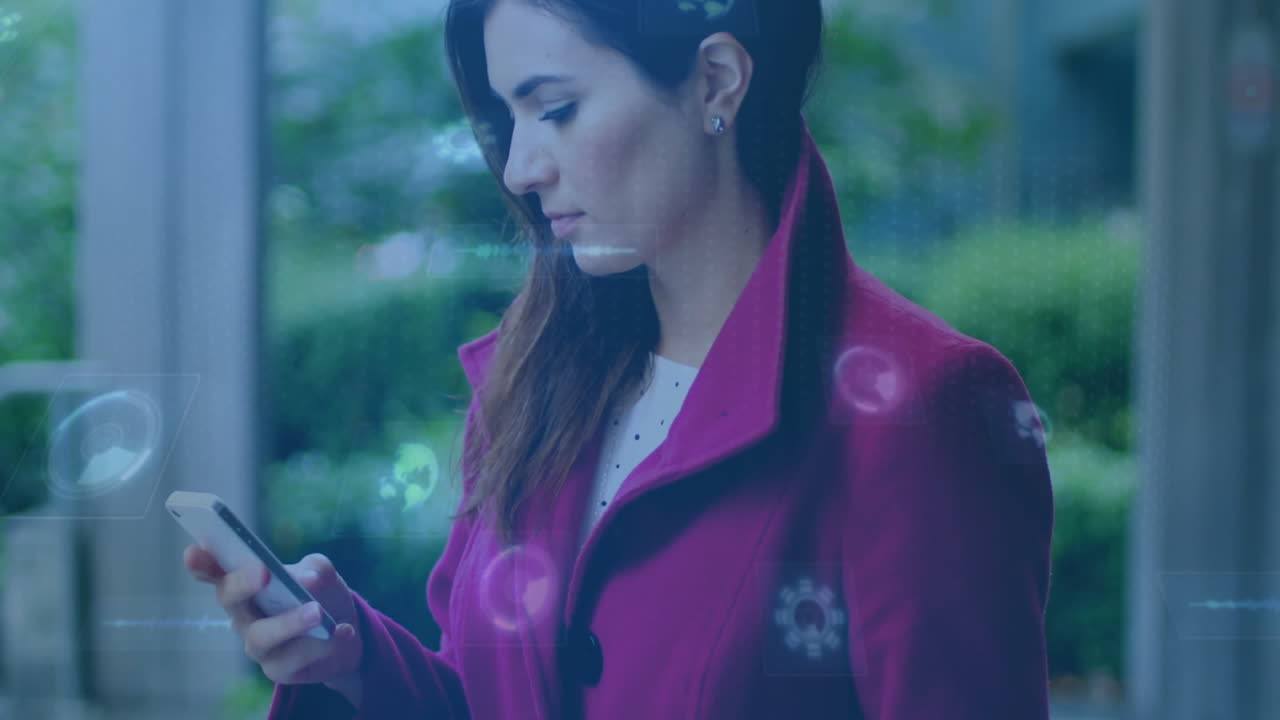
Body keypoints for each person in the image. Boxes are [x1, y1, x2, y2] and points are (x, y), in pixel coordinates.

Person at [184, 0, 1056, 717]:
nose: (521, 167)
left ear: (717, 80)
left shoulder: (925, 405)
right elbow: (491, 698)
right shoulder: (532, 386)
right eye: (507, 117)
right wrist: (353, 662)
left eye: (555, 108)